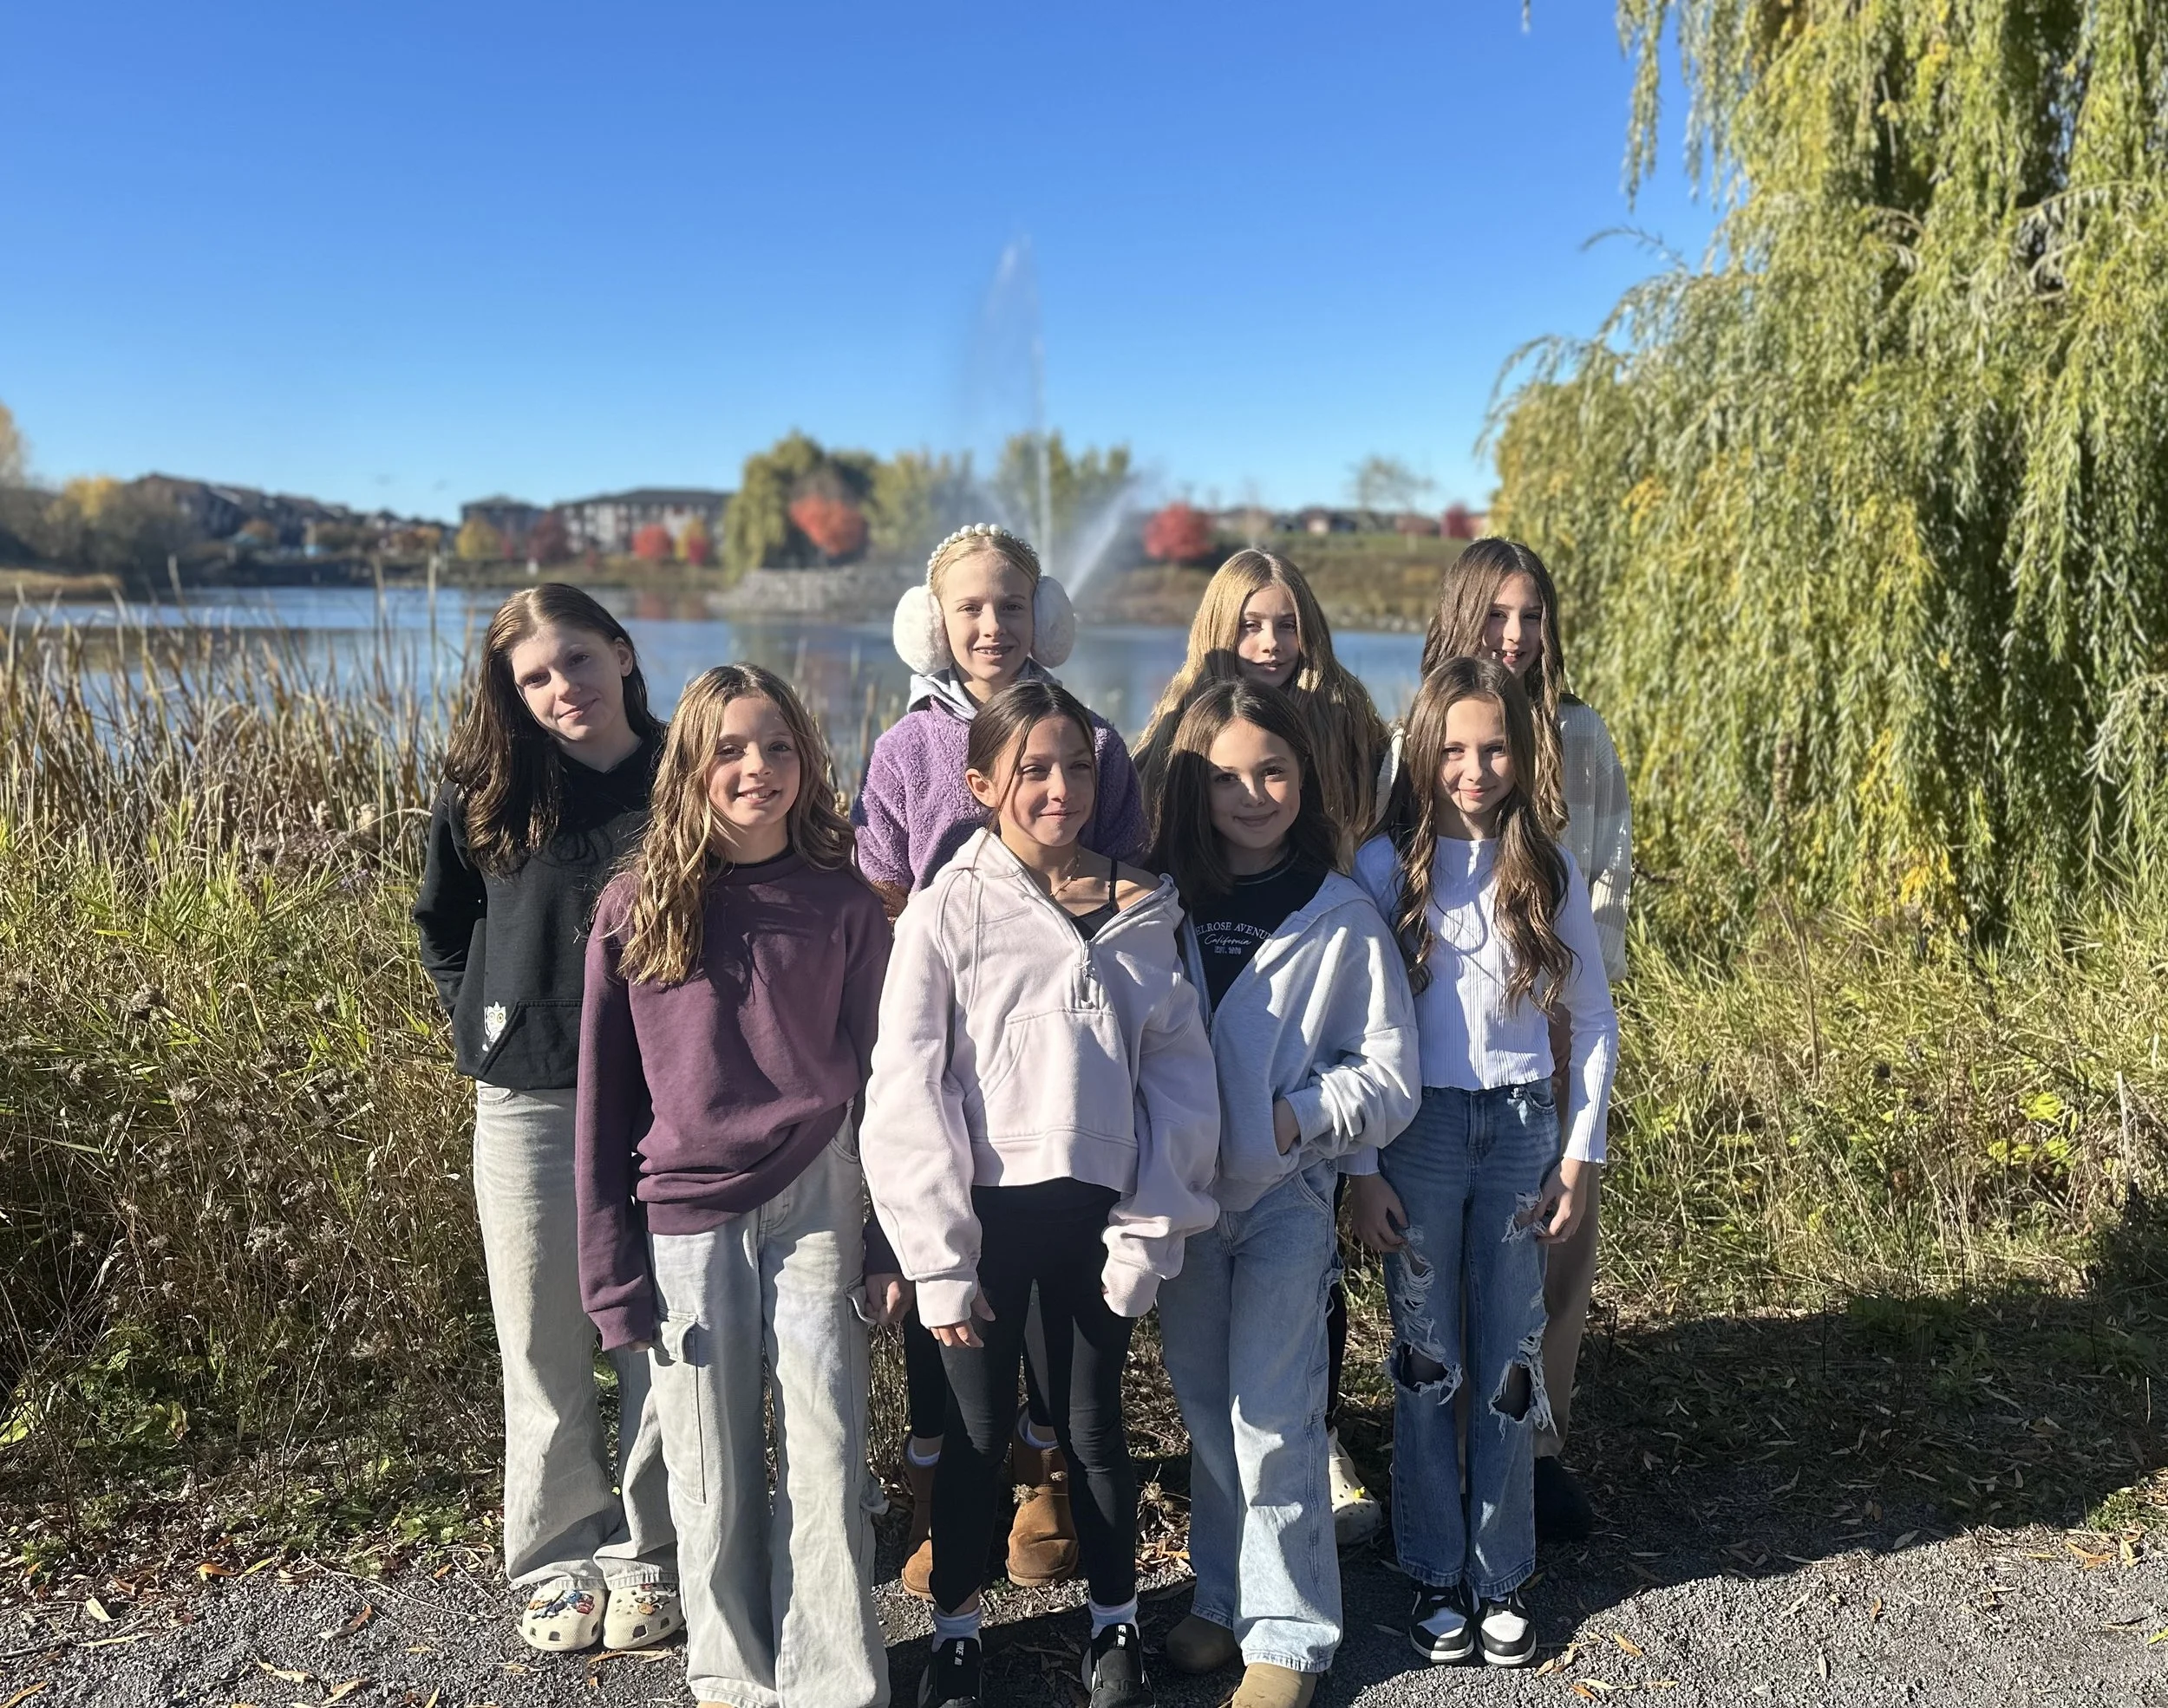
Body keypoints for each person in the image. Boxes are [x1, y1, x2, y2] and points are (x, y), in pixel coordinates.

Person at [861, 678, 1221, 1708]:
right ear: (982, 784)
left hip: (1097, 1225)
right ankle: (959, 1631)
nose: (1057, 786)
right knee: (976, 1437)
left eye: (1075, 765)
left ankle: (1114, 1625)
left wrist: (1148, 1233)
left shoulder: (1144, 906)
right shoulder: (945, 908)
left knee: (1093, 1426)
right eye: (1031, 769)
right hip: (979, 1224)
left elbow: (1180, 1081)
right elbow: (907, 1084)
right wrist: (935, 1257)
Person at [575, 664, 897, 1708]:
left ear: (805, 760)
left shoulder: (843, 903)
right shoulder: (635, 908)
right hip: (684, 1210)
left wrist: (891, 1241)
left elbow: (885, 1082)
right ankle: (731, 1673)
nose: (756, 767)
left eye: (777, 746)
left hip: (819, 1192)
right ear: (692, 768)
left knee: (827, 1445)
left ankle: (835, 1680)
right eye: (730, 748)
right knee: (709, 1461)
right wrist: (609, 1271)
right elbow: (602, 1108)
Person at [854, 522, 1147, 1596]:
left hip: (1055, 1074)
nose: (991, 625)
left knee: (1052, 1313)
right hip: (942, 1061)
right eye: (969, 607)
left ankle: (1046, 1480)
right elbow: (881, 886)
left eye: (1011, 605)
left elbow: (1121, 882)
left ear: (1045, 615)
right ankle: (948, 1502)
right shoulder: (903, 750)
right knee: (947, 1289)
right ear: (934, 619)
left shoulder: (1094, 741)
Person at [412, 584, 677, 1654]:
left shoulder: (685, 775)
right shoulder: (487, 788)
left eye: (577, 659)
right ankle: (561, 1550)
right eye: (536, 675)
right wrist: (483, 1018)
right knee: (541, 1329)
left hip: (669, 1095)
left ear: (621, 651)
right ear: (512, 691)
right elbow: (441, 921)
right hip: (527, 1094)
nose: (562, 687)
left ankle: (650, 1549)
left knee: (666, 1328)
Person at [1148, 679, 1419, 1708]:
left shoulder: (1338, 912)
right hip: (1180, 1204)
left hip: (1281, 1204)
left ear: (1305, 778)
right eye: (1225, 776)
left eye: (1273, 770)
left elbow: (1388, 1073)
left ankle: (1292, 1633)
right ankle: (1222, 1596)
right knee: (1208, 1413)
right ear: (1191, 784)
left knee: (1275, 1412)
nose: (1252, 792)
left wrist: (1297, 1117)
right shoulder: (1158, 899)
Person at [1347, 656, 1618, 1670]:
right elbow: (1357, 1031)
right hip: (1415, 1135)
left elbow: (1591, 1021)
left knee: (1507, 1361)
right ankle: (1431, 1564)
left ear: (1520, 751)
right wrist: (1364, 1163)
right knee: (1426, 1361)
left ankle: (1500, 1569)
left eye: (1492, 746)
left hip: (1515, 1132)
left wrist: (1577, 1153)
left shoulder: (1541, 868)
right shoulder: (1383, 870)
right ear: (1422, 749)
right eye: (1452, 747)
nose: (1472, 767)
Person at [1133, 546, 1395, 1544]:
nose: (1272, 641)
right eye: (1251, 623)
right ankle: (1224, 1548)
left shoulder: (1348, 719)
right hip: (1198, 1111)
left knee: (1301, 1280)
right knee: (1206, 1351)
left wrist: (1317, 1118)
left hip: (1312, 1017)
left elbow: (1378, 842)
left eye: (1286, 622)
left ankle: (1313, 1444)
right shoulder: (1177, 730)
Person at [1419, 537, 1631, 1540]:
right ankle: (1451, 1441)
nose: (1515, 634)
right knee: (1458, 1255)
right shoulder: (1422, 735)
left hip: (1553, 1020)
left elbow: (1606, 879)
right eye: (1496, 614)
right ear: (1461, 617)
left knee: (1555, 1243)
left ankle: (1536, 1443)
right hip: (1453, 1046)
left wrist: (1570, 1015)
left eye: (1531, 616)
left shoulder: (1576, 735)